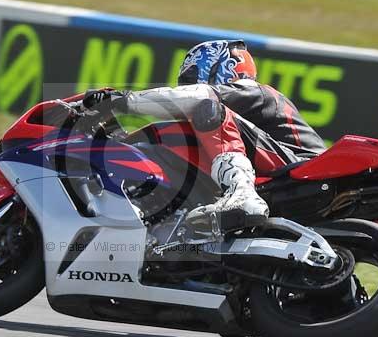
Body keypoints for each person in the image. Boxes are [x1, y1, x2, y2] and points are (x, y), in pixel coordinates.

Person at [86, 39, 326, 226]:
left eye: (190, 78)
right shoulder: (225, 122)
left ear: (222, 67)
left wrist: (124, 101)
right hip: (280, 175)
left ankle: (242, 194)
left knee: (208, 110)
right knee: (181, 130)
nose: (185, 86)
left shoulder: (256, 93)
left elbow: (203, 96)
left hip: (302, 168)